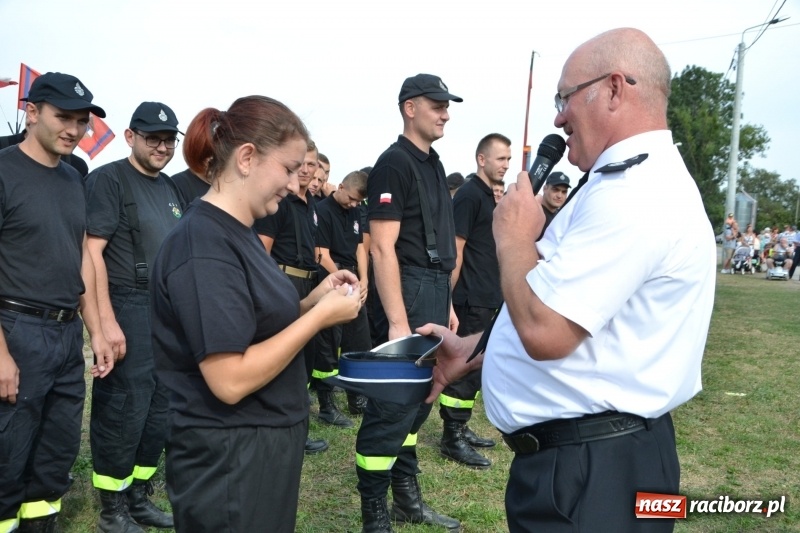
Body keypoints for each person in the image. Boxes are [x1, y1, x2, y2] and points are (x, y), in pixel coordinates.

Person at [417, 28, 716, 532]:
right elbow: (583, 315)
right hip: (588, 461)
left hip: (595, 474)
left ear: (616, 89)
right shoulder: (617, 180)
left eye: (566, 97)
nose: (558, 116)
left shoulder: (638, 192)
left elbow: (547, 332)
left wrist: (513, 238)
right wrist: (473, 350)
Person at [150, 95, 360, 532]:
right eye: (287, 168)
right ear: (247, 157)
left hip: (258, 445)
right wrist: (317, 320)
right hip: (230, 456)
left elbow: (252, 326)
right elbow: (229, 380)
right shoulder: (204, 244)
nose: (293, 181)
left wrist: (313, 300)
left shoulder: (239, 232)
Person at [0, 72, 113, 533]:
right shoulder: (4, 170)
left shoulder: (73, 180)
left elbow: (81, 260)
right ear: (32, 113)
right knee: (7, 459)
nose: (74, 129)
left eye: (81, 121)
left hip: (66, 336)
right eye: (63, 117)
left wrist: (97, 330)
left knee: (53, 458)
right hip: (16, 330)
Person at [358, 73, 462, 533]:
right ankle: (374, 514)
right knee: (391, 408)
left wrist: (449, 305)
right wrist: (398, 322)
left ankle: (407, 500)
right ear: (410, 108)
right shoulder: (394, 163)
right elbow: (382, 247)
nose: (445, 112)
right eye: (437, 104)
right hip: (409, 290)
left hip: (435, 291)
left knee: (419, 402)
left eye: (447, 105)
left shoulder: (434, 163)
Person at [85, 102, 184, 532]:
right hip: (127, 304)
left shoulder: (170, 188)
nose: (162, 147)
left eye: (168, 140)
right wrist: (106, 323)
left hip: (166, 311)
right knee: (124, 408)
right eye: (152, 138)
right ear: (130, 137)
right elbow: (91, 254)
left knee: (159, 408)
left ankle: (139, 495)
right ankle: (113, 508)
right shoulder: (109, 180)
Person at [438, 133, 511, 470]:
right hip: (471, 299)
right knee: (465, 369)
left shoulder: (489, 196)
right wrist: (449, 301)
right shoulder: (468, 195)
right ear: (482, 159)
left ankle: (461, 428)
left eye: (508, 160)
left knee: (477, 369)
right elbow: (456, 249)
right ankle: (451, 438)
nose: (506, 165)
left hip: (489, 296)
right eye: (501, 159)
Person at [254, 140, 329, 454]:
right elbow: (262, 251)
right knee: (283, 358)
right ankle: (278, 428)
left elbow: (316, 250)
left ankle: (298, 427)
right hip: (283, 281)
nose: (308, 170)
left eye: (312, 164)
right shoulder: (278, 201)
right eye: (303, 163)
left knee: (306, 360)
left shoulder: (310, 203)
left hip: (309, 283)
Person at [314, 170, 371, 421]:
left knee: (359, 341)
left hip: (355, 279)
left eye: (358, 202)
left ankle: (357, 397)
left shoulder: (356, 212)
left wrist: (364, 278)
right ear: (342, 186)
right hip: (332, 277)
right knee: (328, 343)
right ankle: (327, 402)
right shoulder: (323, 211)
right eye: (351, 199)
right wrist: (343, 279)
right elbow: (322, 254)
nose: (354, 205)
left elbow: (360, 248)